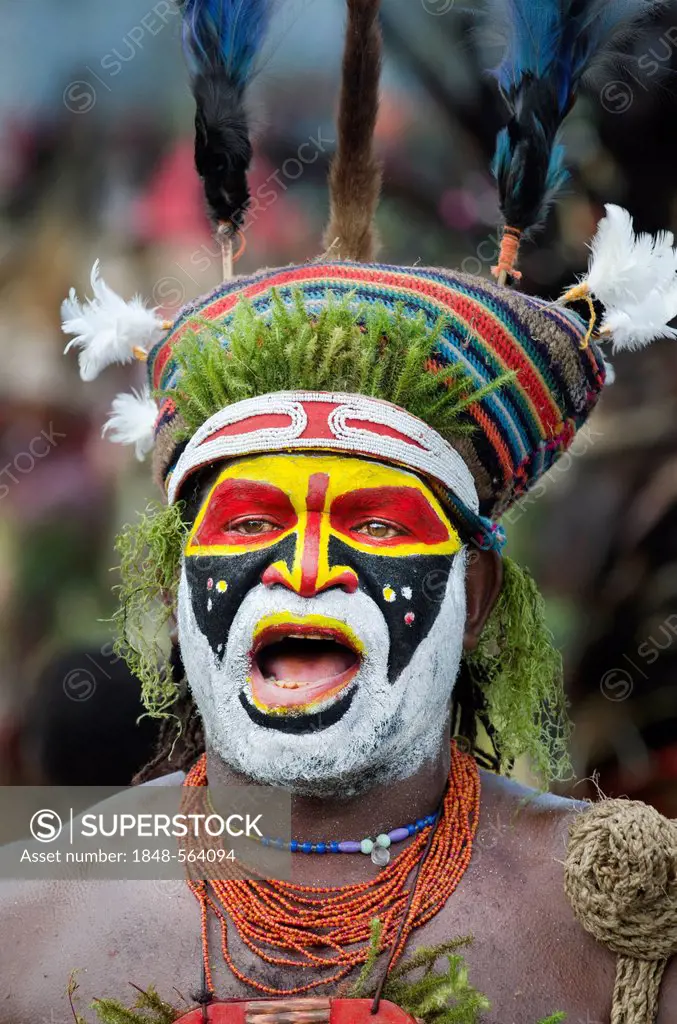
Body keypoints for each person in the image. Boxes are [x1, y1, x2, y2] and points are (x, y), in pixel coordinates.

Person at [1, 1, 676, 1022]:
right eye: (246, 523)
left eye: (374, 525)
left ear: (477, 589)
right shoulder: (31, 902)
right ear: (179, 577)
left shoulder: (623, 915)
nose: (304, 570)